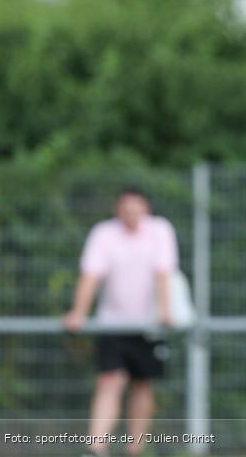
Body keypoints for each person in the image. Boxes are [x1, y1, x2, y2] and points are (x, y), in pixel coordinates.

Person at [63, 187, 178, 457]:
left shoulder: (160, 230)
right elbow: (91, 274)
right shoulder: (104, 233)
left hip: (149, 326)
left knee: (143, 385)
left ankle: (134, 449)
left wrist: (165, 311)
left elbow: (163, 272)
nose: (131, 215)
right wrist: (79, 311)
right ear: (117, 210)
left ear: (146, 209)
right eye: (126, 209)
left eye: (136, 209)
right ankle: (96, 448)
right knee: (110, 381)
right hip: (112, 324)